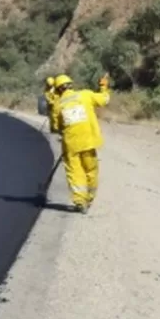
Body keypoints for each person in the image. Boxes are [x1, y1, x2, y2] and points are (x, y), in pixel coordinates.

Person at [50, 73, 110, 214]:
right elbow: (104, 100)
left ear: (58, 90)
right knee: (91, 171)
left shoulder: (58, 105)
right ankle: (89, 197)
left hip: (71, 145)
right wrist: (103, 85)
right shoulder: (85, 95)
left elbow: (56, 127)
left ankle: (80, 202)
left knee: (75, 172)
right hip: (89, 141)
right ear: (71, 85)